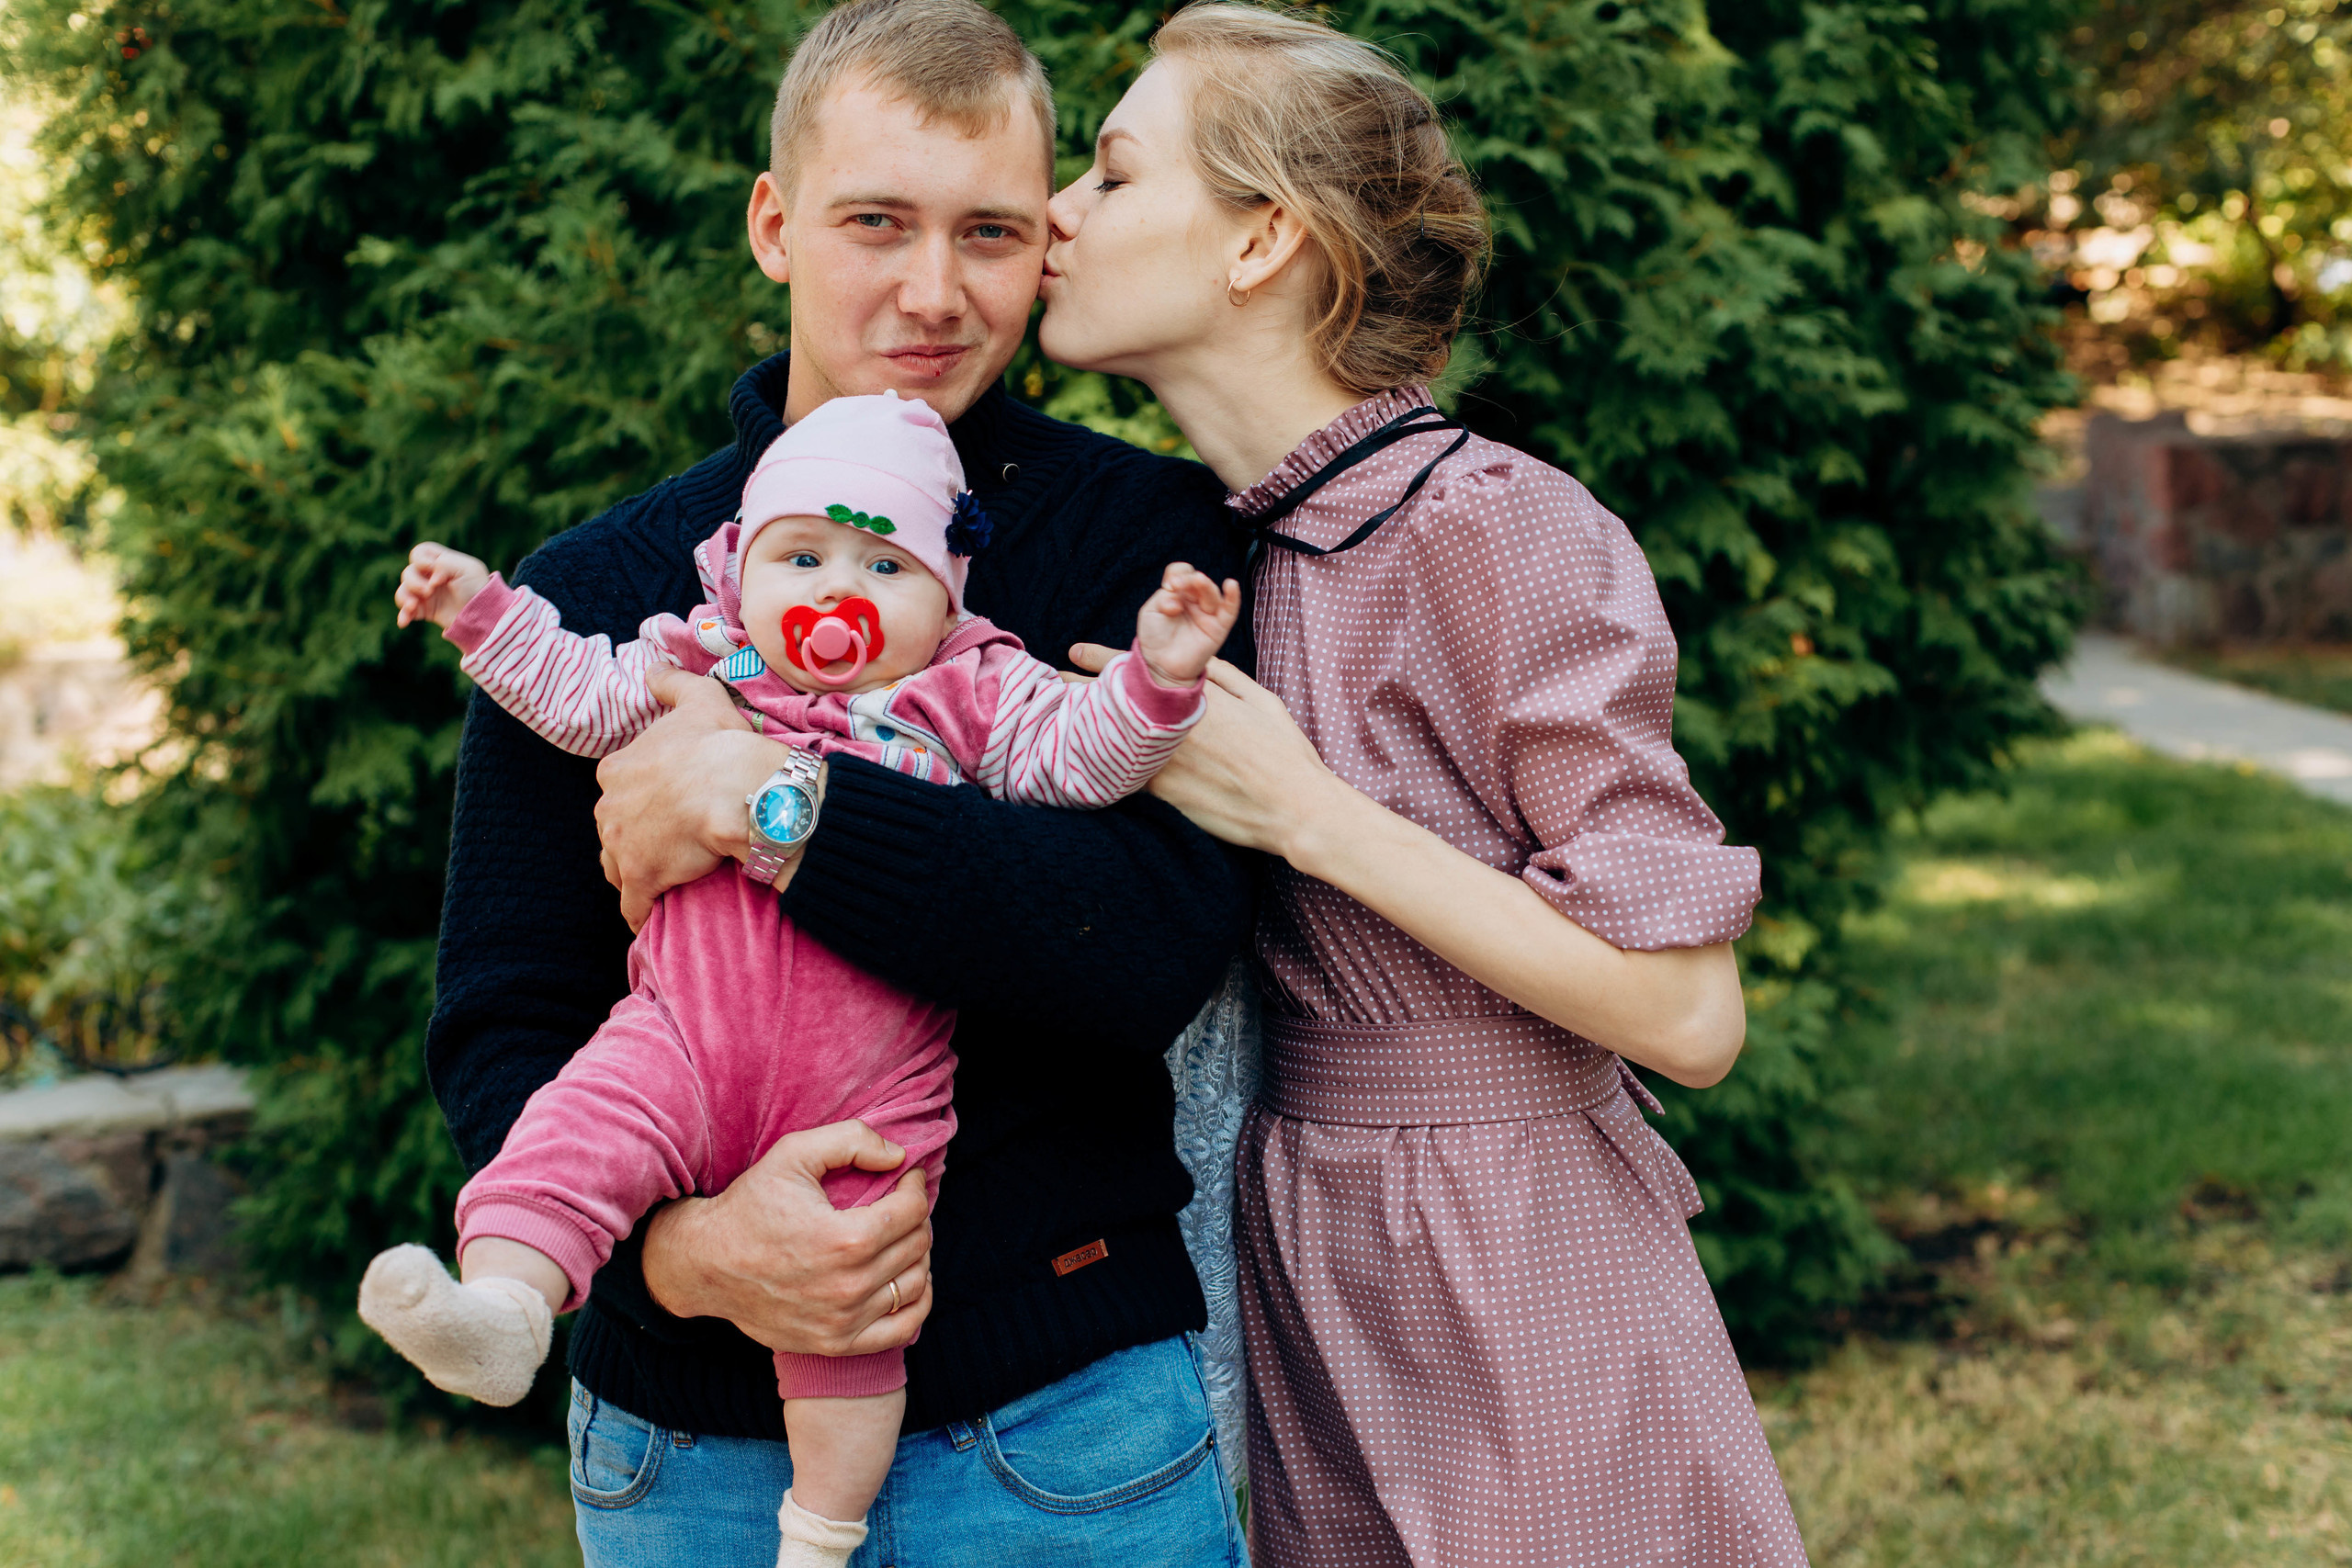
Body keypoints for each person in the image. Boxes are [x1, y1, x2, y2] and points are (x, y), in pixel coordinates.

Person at [424, 2, 1254, 1562]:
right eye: (878, 221)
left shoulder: (1136, 549)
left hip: (1064, 1430)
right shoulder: (600, 586)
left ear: (1045, 249)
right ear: (774, 223)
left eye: (991, 233)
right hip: (683, 1456)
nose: (934, 292)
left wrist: (772, 804)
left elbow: (1148, 941)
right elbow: (504, 1018)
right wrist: (691, 1254)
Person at [1038, 5, 1812, 1563]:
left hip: (1516, 1249)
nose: (1056, 210)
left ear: (1263, 240)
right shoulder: (1211, 556)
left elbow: (1688, 1011)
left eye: (1114, 176)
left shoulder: (1494, 526)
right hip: (1305, 1238)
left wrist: (1310, 811)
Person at [368, 391, 1238, 1567]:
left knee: (858, 1305)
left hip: (873, 1100)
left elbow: (1081, 760)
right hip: (674, 1042)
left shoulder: (967, 690)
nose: (841, 591)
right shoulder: (690, 661)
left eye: (886, 565)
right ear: (737, 569)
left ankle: (817, 1533)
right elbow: (569, 696)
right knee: (570, 1138)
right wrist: (481, 614)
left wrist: (1157, 681)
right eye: (803, 556)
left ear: (946, 594)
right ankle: (506, 1308)